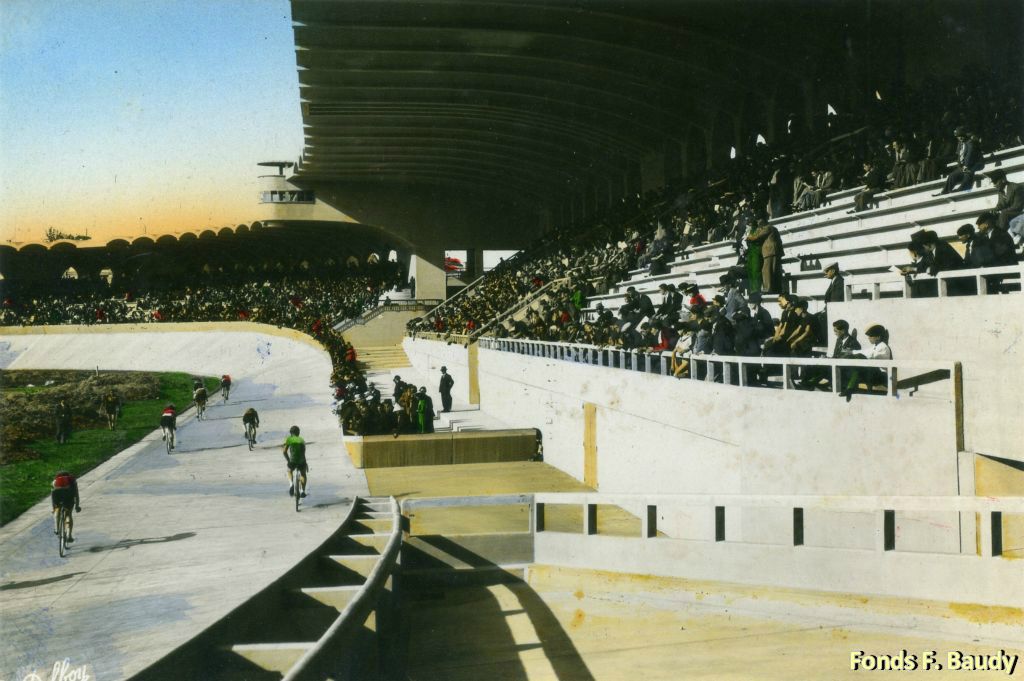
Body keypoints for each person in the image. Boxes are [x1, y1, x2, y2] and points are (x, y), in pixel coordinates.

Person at [840, 324, 892, 402]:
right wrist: (851, 352)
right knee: (857, 365)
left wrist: (853, 354)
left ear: (878, 337)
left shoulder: (883, 347)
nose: (869, 338)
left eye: (871, 336)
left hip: (881, 376)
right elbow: (865, 351)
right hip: (874, 373)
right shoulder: (876, 346)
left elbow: (870, 355)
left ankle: (850, 388)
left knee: (860, 358)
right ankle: (849, 388)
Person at [939, 127, 983, 195]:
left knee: (967, 174)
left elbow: (969, 155)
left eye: (962, 136)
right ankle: (945, 191)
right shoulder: (960, 144)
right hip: (964, 166)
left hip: (974, 165)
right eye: (958, 137)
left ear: (964, 135)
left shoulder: (970, 143)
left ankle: (961, 189)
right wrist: (960, 166)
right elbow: (959, 157)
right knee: (952, 175)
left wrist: (966, 166)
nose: (960, 138)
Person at [51, 470, 82, 543]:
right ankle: (69, 536)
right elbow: (76, 495)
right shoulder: (72, 481)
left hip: (57, 495)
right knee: (69, 514)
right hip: (69, 495)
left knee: (57, 509)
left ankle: (57, 529)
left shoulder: (54, 482)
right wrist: (77, 506)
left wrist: (54, 508)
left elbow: (53, 496)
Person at [282, 425, 308, 497]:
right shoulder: (302, 440)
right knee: (303, 474)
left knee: (289, 470)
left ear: (291, 433)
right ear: (298, 433)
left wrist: (288, 460)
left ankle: (291, 484)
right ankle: (302, 490)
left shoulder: (289, 439)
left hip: (292, 461)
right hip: (301, 461)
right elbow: (303, 453)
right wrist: (306, 463)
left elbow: (284, 451)